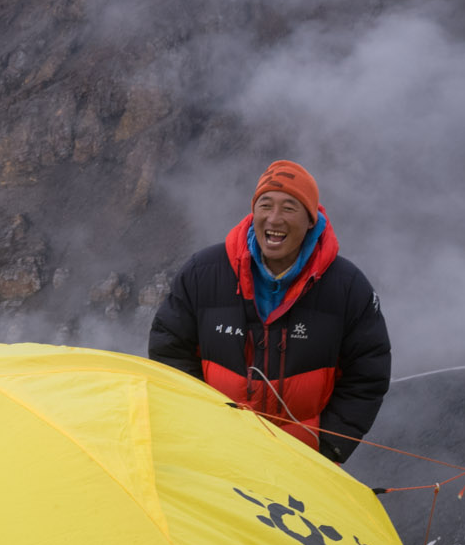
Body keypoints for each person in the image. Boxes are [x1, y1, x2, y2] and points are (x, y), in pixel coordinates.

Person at [148, 160, 390, 464]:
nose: (274, 219)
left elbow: (367, 374)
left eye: (289, 208)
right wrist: (200, 426)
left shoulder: (347, 288)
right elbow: (169, 352)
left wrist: (326, 448)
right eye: (265, 205)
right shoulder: (204, 273)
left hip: (302, 463)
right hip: (214, 454)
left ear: (311, 220)